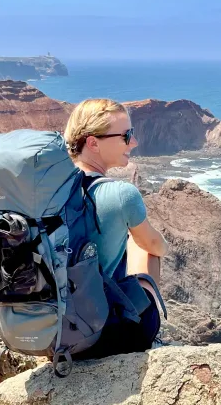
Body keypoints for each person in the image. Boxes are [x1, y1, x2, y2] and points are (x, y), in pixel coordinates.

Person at [63, 98, 169, 357]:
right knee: (145, 247)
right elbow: (157, 246)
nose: (134, 142)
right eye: (126, 135)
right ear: (93, 143)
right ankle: (151, 337)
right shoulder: (122, 194)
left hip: (56, 332)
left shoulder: (50, 191)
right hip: (103, 336)